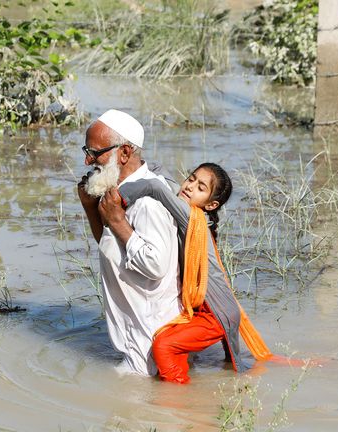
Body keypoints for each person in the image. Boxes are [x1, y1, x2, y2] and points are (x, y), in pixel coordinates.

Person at [115, 163, 277, 384]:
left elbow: (155, 187)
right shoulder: (196, 215)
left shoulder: (191, 217)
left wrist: (115, 199)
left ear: (211, 205)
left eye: (200, 187)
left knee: (164, 344)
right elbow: (167, 183)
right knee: (235, 370)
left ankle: (178, 400)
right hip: (220, 309)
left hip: (215, 314)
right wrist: (150, 167)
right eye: (191, 179)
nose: (190, 187)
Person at [76, 109, 182, 376]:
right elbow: (114, 246)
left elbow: (155, 264)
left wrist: (119, 222)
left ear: (124, 153)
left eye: (95, 152)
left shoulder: (148, 200)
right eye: (86, 150)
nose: (88, 160)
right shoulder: (119, 192)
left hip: (150, 350)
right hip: (135, 344)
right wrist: (91, 208)